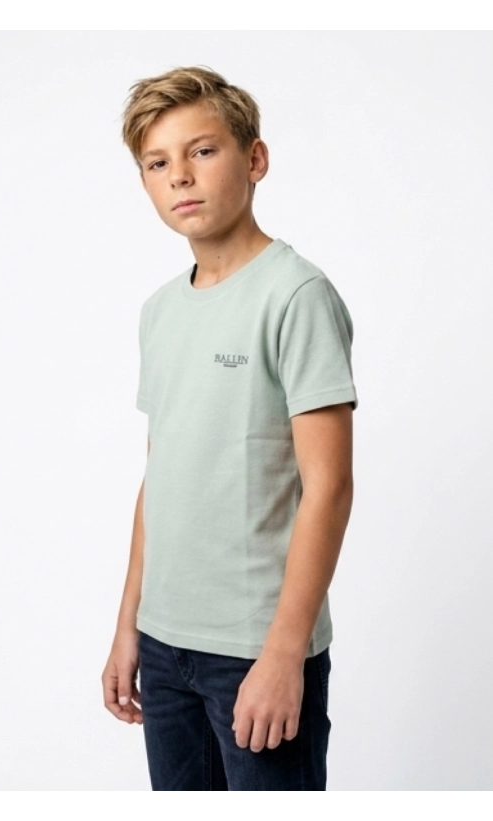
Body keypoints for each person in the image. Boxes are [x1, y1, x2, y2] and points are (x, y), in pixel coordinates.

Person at [101, 65, 359, 792]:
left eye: (202, 150)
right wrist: (128, 624)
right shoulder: (160, 310)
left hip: (254, 646)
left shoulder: (295, 295)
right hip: (163, 645)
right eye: (157, 163)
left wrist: (283, 654)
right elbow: (161, 476)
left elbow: (329, 487)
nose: (180, 176)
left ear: (255, 159)